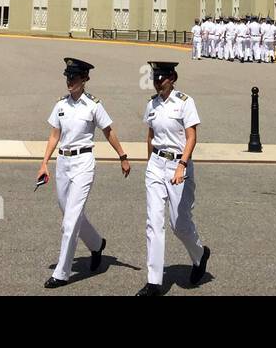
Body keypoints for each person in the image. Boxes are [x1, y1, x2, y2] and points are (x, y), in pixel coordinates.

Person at [36, 58, 131, 288]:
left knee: (70, 222)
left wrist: (122, 156)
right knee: (68, 211)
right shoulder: (60, 105)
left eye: (75, 77)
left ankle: (62, 272)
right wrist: (44, 163)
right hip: (63, 162)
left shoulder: (93, 105)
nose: (70, 81)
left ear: (85, 79)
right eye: (68, 77)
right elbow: (53, 136)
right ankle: (97, 245)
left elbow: (108, 131)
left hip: (83, 163)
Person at [139, 61, 209, 296]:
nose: (158, 82)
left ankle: (200, 255)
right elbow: (150, 135)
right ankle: (154, 282)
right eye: (155, 78)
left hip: (179, 165)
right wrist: (149, 163)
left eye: (162, 78)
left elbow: (191, 137)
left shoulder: (185, 102)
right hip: (156, 165)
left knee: (178, 223)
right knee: (153, 222)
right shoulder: (152, 103)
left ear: (172, 78)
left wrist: (182, 165)